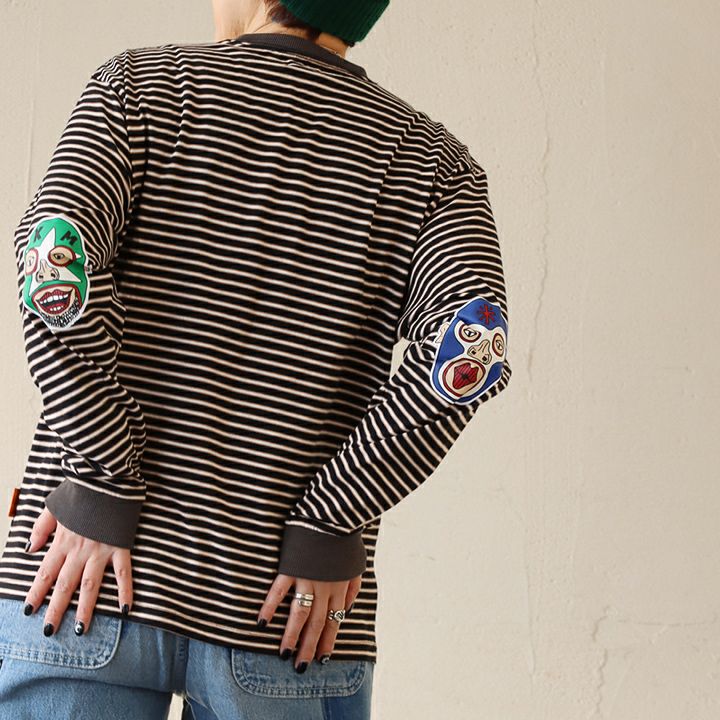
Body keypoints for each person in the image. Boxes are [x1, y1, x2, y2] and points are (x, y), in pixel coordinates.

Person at [0, 0, 513, 718]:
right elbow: (472, 354)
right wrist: (330, 520)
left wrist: (103, 479)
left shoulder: (139, 87)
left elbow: (53, 267)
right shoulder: (433, 165)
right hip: (286, 610)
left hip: (83, 583)